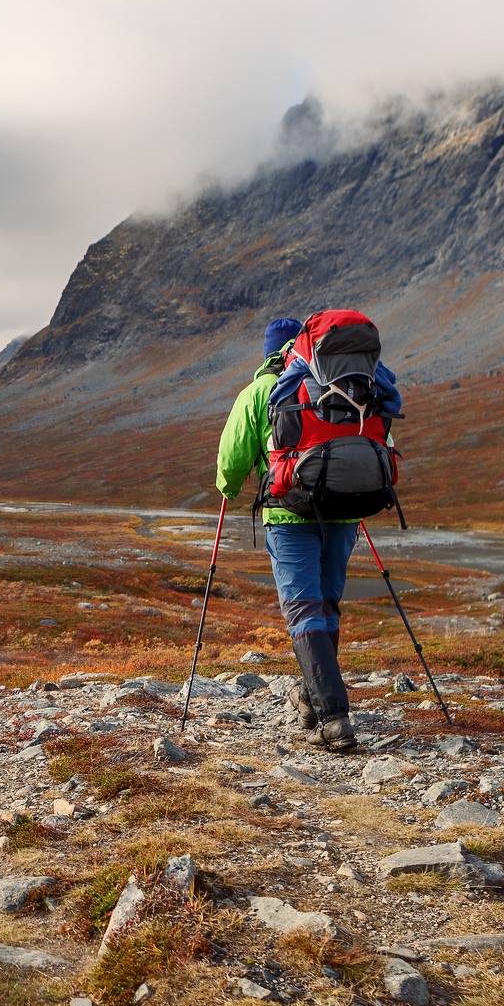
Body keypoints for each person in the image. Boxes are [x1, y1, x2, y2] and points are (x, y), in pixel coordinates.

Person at [213, 315, 366, 752]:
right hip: (344, 512)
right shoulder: (346, 383)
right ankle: (311, 697)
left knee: (303, 611)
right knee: (326, 605)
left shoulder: (258, 392)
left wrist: (228, 487)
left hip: (288, 515)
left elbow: (231, 462)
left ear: (268, 353)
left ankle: (335, 719)